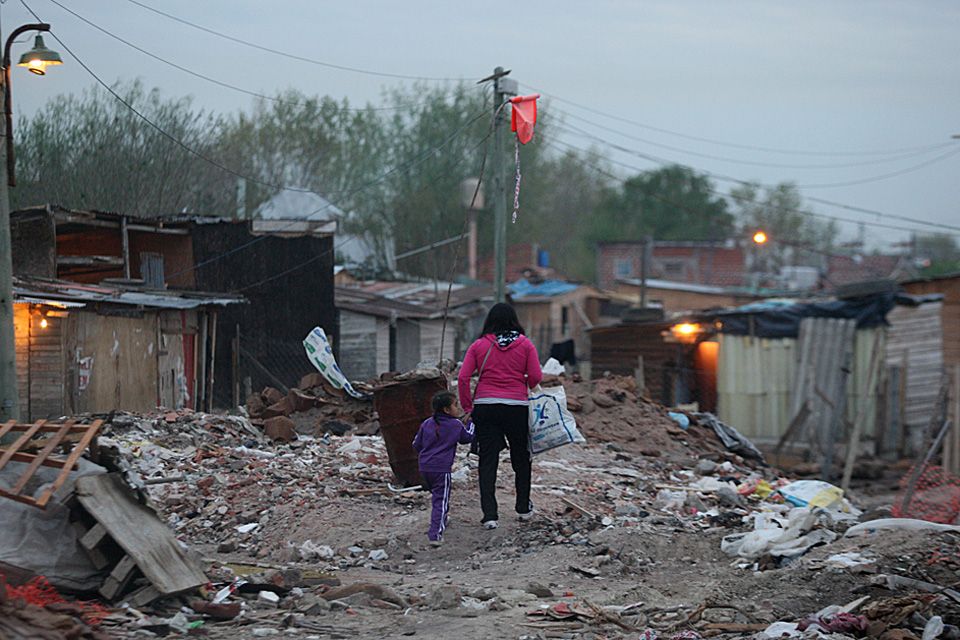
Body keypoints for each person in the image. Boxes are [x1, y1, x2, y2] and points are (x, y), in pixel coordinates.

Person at [458, 303, 543, 530]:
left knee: (488, 459)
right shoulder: (525, 344)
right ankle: (523, 508)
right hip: (516, 406)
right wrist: (522, 383)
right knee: (521, 457)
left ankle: (490, 515)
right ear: (514, 320)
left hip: (485, 406)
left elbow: (464, 378)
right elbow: (535, 375)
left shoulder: (479, 345)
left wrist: (468, 407)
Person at [412, 391, 475, 546]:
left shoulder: (427, 423)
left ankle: (442, 520)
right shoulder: (455, 424)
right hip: (442, 469)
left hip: (424, 467)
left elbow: (416, 445)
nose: (458, 408)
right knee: (441, 500)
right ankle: (436, 534)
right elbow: (467, 438)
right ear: (447, 410)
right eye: (455, 405)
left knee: (438, 496)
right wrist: (472, 424)